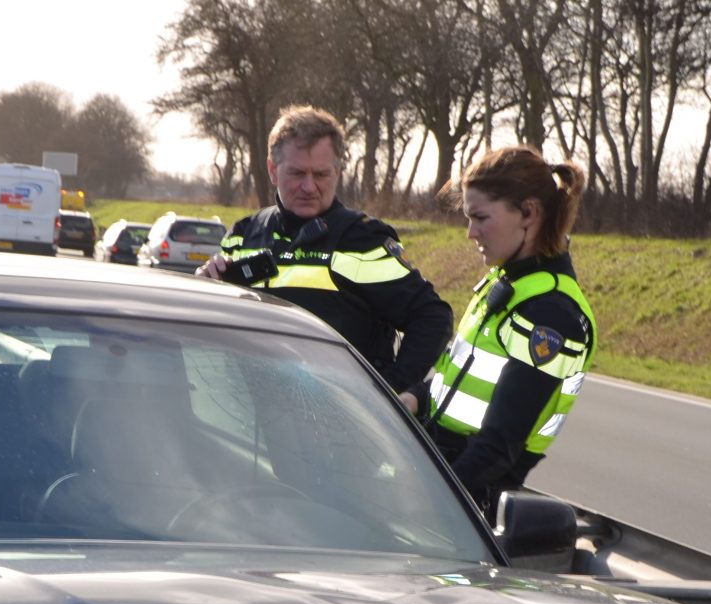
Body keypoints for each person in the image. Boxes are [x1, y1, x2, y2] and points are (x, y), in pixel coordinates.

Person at [199, 106, 450, 411]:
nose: (309, 186)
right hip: (255, 415)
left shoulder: (363, 240)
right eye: (297, 173)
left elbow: (432, 317)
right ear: (272, 170)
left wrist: (387, 393)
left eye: (320, 174)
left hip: (339, 427)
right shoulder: (243, 235)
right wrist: (206, 288)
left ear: (337, 172)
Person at [422, 145, 596, 510]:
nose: (471, 233)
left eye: (480, 218)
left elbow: (499, 447)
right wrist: (410, 398)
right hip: (440, 469)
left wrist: (432, 505)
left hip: (468, 502)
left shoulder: (551, 313)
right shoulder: (508, 281)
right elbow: (454, 381)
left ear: (528, 213)